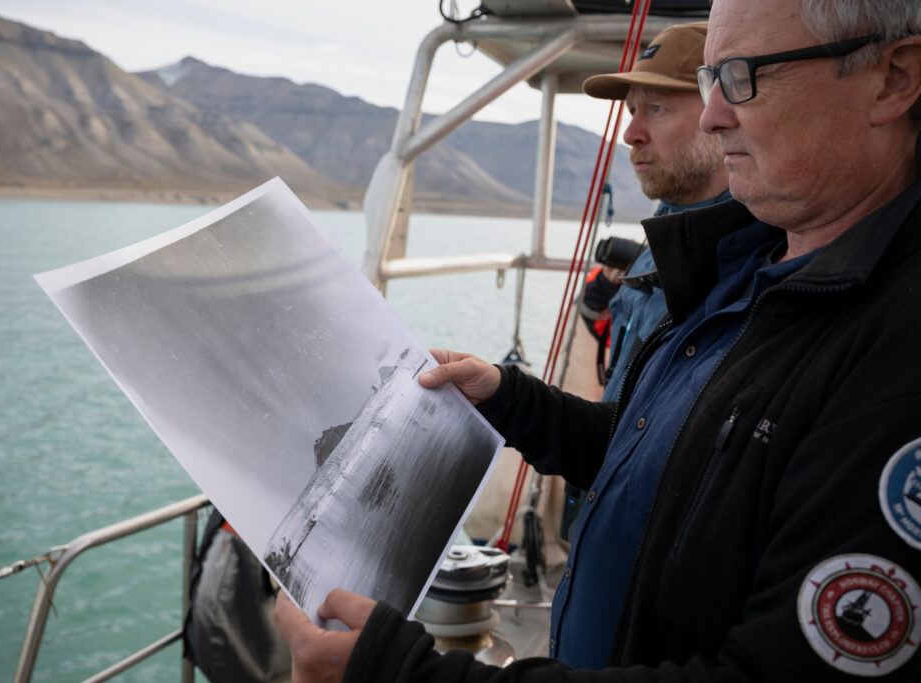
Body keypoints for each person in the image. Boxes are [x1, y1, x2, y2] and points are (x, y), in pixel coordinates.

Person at [275, 0, 921, 680]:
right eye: (707, 83)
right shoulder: (749, 271)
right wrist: (508, 398)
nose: (713, 115)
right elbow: (660, 456)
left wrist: (398, 673)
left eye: (742, 76)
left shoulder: (896, 356)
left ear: (893, 78)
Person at [581, 21, 730, 401]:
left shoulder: (749, 258)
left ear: (721, 114)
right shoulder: (662, 234)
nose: (630, 133)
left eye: (656, 107)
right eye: (632, 110)